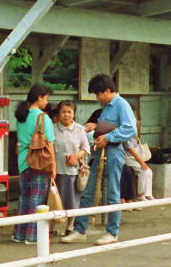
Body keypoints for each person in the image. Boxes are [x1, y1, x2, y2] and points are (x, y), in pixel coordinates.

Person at [62, 74, 136, 246]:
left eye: (98, 94)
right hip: (100, 152)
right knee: (88, 191)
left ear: (107, 90)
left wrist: (108, 137)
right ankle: (80, 230)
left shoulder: (121, 105)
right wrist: (96, 128)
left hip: (114, 152)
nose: (97, 97)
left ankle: (112, 232)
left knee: (112, 192)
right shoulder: (107, 107)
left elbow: (130, 129)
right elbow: (110, 127)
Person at [12, 83, 55, 244]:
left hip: (23, 161)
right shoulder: (43, 118)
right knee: (37, 199)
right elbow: (49, 144)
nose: (47, 102)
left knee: (24, 197)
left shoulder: (21, 116)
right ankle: (32, 236)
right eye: (46, 98)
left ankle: (19, 234)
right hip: (39, 162)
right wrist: (53, 166)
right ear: (40, 97)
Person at [52, 100, 89, 235]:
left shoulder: (79, 129)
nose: (66, 115)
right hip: (57, 171)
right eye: (63, 112)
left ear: (74, 113)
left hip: (74, 172)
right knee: (56, 200)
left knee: (73, 200)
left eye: (69, 112)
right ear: (59, 113)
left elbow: (86, 147)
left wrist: (76, 155)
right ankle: (53, 228)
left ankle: (69, 227)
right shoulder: (52, 128)